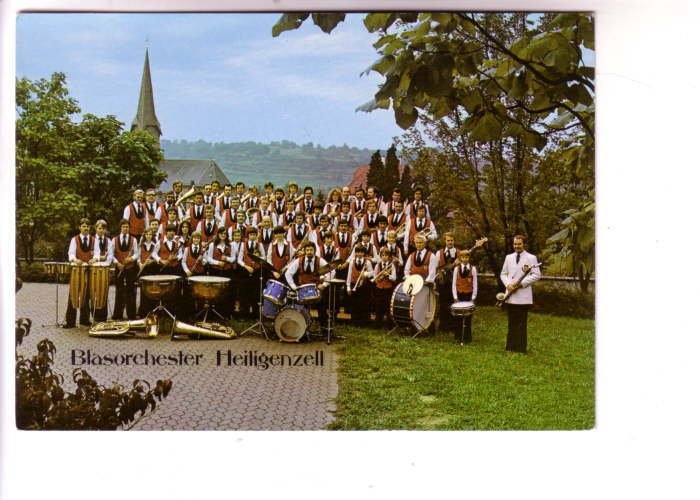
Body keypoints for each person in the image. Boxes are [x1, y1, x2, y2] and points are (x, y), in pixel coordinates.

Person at [500, 235, 541, 353]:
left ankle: (521, 348)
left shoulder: (531, 258)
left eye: (519, 244)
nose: (517, 246)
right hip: (510, 294)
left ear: (524, 244)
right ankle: (510, 346)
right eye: (515, 244)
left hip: (523, 295)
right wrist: (508, 284)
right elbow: (503, 273)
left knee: (521, 323)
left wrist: (521, 284)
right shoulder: (509, 257)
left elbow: (537, 275)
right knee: (511, 322)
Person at [285, 241, 331, 332]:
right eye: (307, 250)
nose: (309, 252)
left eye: (311, 250)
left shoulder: (320, 260)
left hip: (316, 289)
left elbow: (332, 271)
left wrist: (324, 284)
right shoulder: (299, 260)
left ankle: (324, 328)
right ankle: (301, 328)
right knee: (300, 309)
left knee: (322, 307)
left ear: (314, 250)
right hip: (302, 289)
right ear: (304, 251)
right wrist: (293, 286)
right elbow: (288, 273)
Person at [64, 218, 94, 328]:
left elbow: (97, 253)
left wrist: (94, 259)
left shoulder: (93, 240)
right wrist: (75, 260)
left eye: (87, 226)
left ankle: (84, 320)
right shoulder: (74, 239)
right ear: (80, 227)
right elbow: (71, 254)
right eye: (83, 226)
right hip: (77, 270)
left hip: (89, 270)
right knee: (74, 293)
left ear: (89, 228)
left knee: (86, 294)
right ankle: (70, 321)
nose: (85, 228)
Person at [112, 219, 138, 321]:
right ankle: (117, 315)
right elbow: (112, 255)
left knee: (131, 291)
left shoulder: (134, 240)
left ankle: (131, 315)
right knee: (119, 291)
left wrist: (131, 259)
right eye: (123, 227)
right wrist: (117, 263)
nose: (125, 229)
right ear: (121, 228)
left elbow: (137, 253)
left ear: (129, 228)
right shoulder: (114, 240)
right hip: (119, 268)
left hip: (130, 268)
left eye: (127, 227)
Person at [451, 249, 478, 343]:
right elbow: (454, 284)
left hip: (468, 295)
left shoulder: (473, 269)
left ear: (469, 258)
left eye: (466, 257)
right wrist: (455, 296)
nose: (465, 259)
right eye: (463, 257)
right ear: (460, 258)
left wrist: (473, 297)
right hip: (459, 295)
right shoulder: (456, 269)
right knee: (458, 317)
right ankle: (458, 337)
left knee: (468, 316)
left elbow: (475, 284)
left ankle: (467, 337)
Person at [345, 245, 374, 326]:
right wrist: (348, 287)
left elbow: (372, 273)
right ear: (355, 253)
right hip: (354, 284)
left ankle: (363, 322)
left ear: (364, 253)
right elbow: (349, 275)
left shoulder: (367, 262)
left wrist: (366, 274)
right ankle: (354, 321)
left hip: (364, 286)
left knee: (363, 304)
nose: (360, 254)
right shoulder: (352, 262)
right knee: (354, 304)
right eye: (358, 252)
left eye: (361, 252)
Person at [372, 247, 398, 328]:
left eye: (386, 255)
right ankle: (377, 324)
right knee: (378, 306)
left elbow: (394, 278)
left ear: (389, 257)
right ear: (380, 256)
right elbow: (374, 276)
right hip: (379, 288)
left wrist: (388, 275)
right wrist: (378, 278)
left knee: (388, 307)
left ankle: (389, 325)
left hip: (388, 288)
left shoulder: (392, 266)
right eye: (382, 255)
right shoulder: (377, 265)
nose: (384, 257)